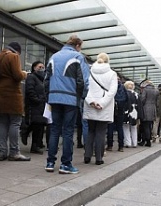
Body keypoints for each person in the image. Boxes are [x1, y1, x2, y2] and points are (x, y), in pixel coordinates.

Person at [44, 34, 90, 174]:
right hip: (70, 99)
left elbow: (46, 79)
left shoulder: (54, 56)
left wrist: (49, 97)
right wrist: (80, 97)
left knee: (54, 130)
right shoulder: (78, 57)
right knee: (68, 131)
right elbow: (84, 81)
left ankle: (50, 163)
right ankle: (65, 165)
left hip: (54, 97)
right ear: (77, 46)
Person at [0, 42, 30, 161]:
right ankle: (14, 152)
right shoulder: (13, 56)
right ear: (17, 51)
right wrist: (24, 73)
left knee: (3, 122)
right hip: (12, 94)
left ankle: (2, 152)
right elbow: (17, 76)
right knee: (15, 122)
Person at [83, 53, 117, 165]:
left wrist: (91, 102)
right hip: (105, 107)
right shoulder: (112, 74)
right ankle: (99, 158)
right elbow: (112, 92)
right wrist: (101, 103)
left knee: (91, 131)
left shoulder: (89, 71)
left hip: (90, 105)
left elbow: (85, 88)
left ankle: (87, 156)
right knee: (101, 133)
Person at [25, 61, 47, 155]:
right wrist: (37, 100)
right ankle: (33, 145)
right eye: (39, 67)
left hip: (41, 106)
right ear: (34, 68)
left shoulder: (42, 79)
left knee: (39, 126)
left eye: (43, 67)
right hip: (34, 105)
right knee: (36, 125)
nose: (41, 69)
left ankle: (36, 144)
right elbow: (30, 90)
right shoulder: (31, 77)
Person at [106, 75, 127, 152]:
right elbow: (126, 98)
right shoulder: (123, 87)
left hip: (112, 109)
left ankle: (110, 145)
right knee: (120, 128)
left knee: (110, 128)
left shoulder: (110, 86)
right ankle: (121, 146)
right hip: (120, 110)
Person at [139, 79, 159, 147]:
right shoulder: (156, 91)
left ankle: (146, 141)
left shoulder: (145, 90)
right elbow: (157, 102)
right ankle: (146, 140)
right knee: (149, 126)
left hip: (146, 109)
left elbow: (142, 99)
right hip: (153, 110)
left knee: (145, 126)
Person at [123, 81, 142, 148]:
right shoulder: (136, 94)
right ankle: (135, 143)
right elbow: (140, 106)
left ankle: (128, 143)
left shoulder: (125, 93)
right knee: (134, 128)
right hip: (135, 114)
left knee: (126, 127)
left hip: (126, 113)